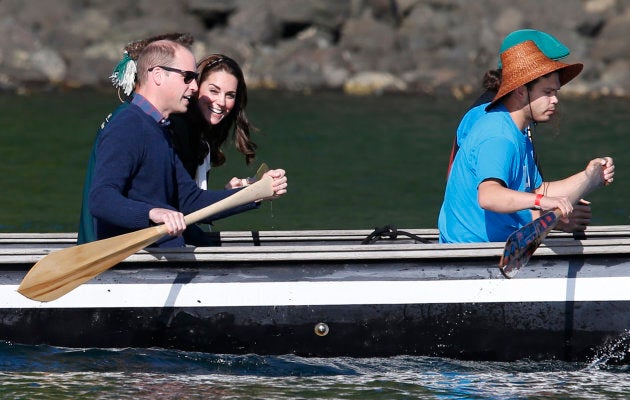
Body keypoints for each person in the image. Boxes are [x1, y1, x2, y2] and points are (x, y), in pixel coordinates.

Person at [82, 38, 287, 247]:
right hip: (126, 262)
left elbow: (190, 201)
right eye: (188, 78)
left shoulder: (160, 129)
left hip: (162, 255)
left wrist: (255, 192)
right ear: (158, 75)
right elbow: (101, 200)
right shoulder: (128, 124)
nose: (195, 87)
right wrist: (153, 213)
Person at [438, 40, 615, 243]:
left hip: (499, 246)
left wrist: (589, 177)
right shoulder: (498, 135)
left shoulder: (518, 131)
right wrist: (541, 202)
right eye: (547, 92)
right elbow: (489, 197)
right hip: (468, 252)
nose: (555, 100)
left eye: (555, 92)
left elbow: (536, 191)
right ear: (521, 91)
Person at [168, 54, 285, 245]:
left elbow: (192, 206)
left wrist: (242, 190)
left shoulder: (200, 137)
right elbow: (189, 206)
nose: (221, 102)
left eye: (230, 95)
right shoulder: (178, 129)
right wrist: (255, 192)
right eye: (213, 91)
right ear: (196, 88)